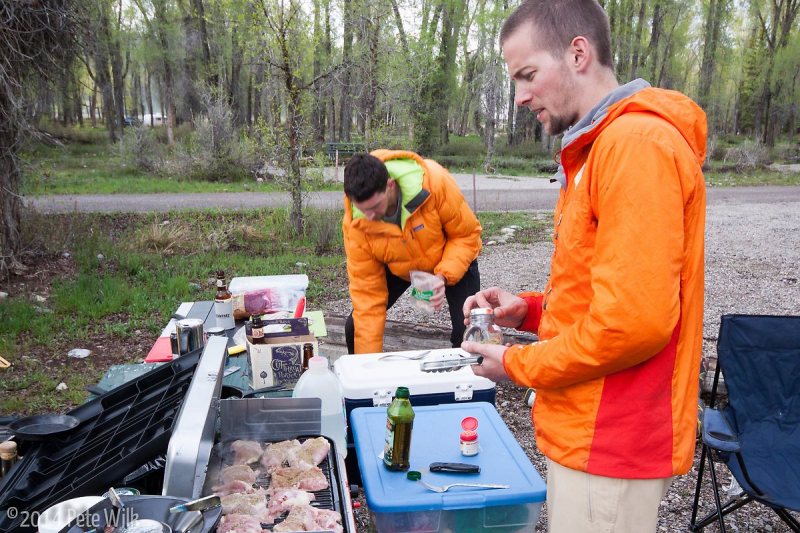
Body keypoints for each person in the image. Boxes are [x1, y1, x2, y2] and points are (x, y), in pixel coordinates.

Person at [461, 1, 707, 532]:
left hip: (610, 437)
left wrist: (517, 365)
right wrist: (525, 311)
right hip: (589, 430)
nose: (521, 95)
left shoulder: (634, 145)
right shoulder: (598, 149)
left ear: (578, 54)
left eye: (528, 74)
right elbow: (606, 294)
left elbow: (631, 324)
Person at [342, 150, 482, 354]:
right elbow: (367, 295)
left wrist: (441, 277)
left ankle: (464, 382)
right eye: (363, 210)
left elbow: (466, 235)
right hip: (402, 265)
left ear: (390, 185)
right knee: (354, 328)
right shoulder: (356, 225)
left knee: (467, 332)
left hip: (450, 258)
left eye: (375, 207)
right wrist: (367, 368)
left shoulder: (434, 181)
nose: (369, 217)